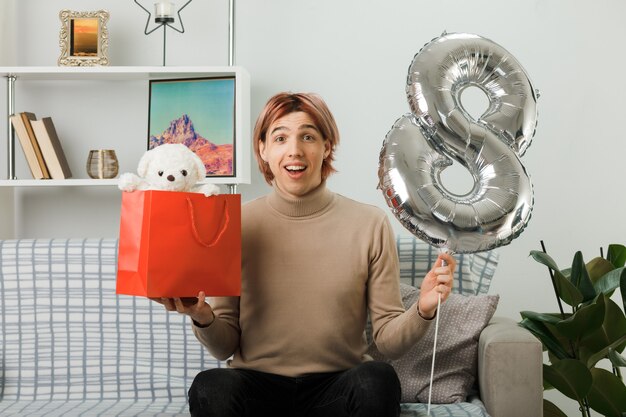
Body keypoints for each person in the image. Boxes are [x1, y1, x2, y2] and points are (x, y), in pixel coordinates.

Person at [154, 92, 456, 417]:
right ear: (263, 149)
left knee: (377, 379)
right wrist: (203, 317)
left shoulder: (370, 224)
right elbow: (225, 345)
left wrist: (423, 310)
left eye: (308, 136)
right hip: (258, 388)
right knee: (210, 386)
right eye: (280, 137)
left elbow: (387, 340)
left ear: (326, 147)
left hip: (337, 388)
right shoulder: (233, 225)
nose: (294, 150)